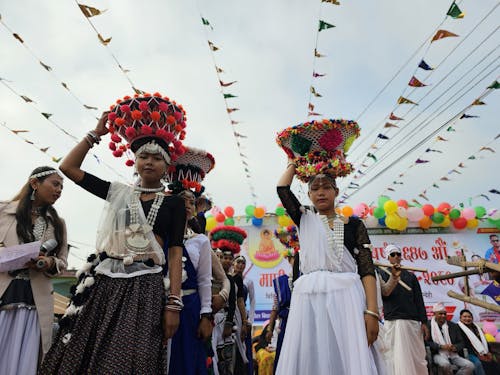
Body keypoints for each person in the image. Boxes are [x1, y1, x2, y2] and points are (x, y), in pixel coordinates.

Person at [40, 93, 187, 373]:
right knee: (85, 350)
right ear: (134, 160)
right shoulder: (118, 193)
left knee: (133, 356)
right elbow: (68, 168)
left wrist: (174, 304)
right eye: (143, 156)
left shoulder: (174, 203)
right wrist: (95, 133)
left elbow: (175, 251)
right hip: (105, 283)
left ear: (167, 166)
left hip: (146, 287)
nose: (149, 162)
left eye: (157, 158)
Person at [275, 118, 384, 375]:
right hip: (309, 299)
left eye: (326, 187)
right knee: (312, 358)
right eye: (315, 189)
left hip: (347, 297)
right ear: (309, 195)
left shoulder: (354, 224)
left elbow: (367, 269)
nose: (321, 192)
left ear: (336, 191)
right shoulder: (304, 218)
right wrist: (296, 160)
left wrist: (372, 311)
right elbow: (282, 188)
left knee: (347, 359)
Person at [0, 166, 68, 375]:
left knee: (25, 357)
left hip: (35, 299)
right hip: (4, 291)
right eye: (55, 184)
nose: (59, 190)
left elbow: (62, 262)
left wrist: (48, 262)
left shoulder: (58, 223)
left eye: (62, 187)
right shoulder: (3, 211)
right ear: (35, 184)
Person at [164, 146, 215, 375]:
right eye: (180, 200)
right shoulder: (157, 236)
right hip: (159, 306)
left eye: (191, 202)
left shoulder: (200, 242)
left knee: (187, 362)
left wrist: (206, 315)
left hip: (191, 308)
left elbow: (204, 280)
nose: (186, 205)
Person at [379, 244, 428, 375]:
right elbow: (384, 294)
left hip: (412, 322)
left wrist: (424, 322)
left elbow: (419, 300)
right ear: (388, 258)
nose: (396, 257)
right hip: (393, 321)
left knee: (417, 357)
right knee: (393, 356)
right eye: (393, 254)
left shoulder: (411, 276)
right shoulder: (381, 274)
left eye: (398, 254)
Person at [210, 225, 248, 375]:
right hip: (211, 321)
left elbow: (234, 303)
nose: (225, 261)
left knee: (226, 361)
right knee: (212, 358)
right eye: (222, 257)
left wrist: (229, 324)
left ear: (232, 261)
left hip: (225, 321)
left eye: (228, 258)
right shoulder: (210, 276)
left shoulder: (231, 280)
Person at [267, 245, 296, 374]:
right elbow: (275, 307)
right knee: (284, 354)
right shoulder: (281, 282)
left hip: (304, 323)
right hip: (286, 325)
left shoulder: (308, 279)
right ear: (289, 260)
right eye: (294, 258)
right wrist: (270, 329)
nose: (297, 261)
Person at [426, 302, 474, 375]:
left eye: (445, 314)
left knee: (470, 366)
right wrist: (440, 346)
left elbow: (461, 342)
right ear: (434, 314)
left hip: (453, 354)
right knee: (445, 364)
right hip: (437, 354)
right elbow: (426, 342)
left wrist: (455, 347)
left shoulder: (453, 326)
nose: (443, 316)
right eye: (440, 314)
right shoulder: (428, 325)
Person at [457, 309, 500, 375]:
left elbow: (484, 341)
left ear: (472, 318)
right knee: (478, 363)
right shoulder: (457, 328)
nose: (467, 318)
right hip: (468, 352)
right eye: (465, 317)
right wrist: (478, 354)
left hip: (483, 352)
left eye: (469, 317)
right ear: (460, 318)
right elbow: (464, 344)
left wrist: (489, 352)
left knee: (494, 363)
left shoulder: (476, 328)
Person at [233, 255, 255, 375]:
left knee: (244, 346)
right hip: (231, 315)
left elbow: (252, 301)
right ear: (233, 264)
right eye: (238, 262)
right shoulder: (229, 278)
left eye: (243, 263)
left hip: (243, 317)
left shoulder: (248, 281)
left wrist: (249, 320)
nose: (240, 265)